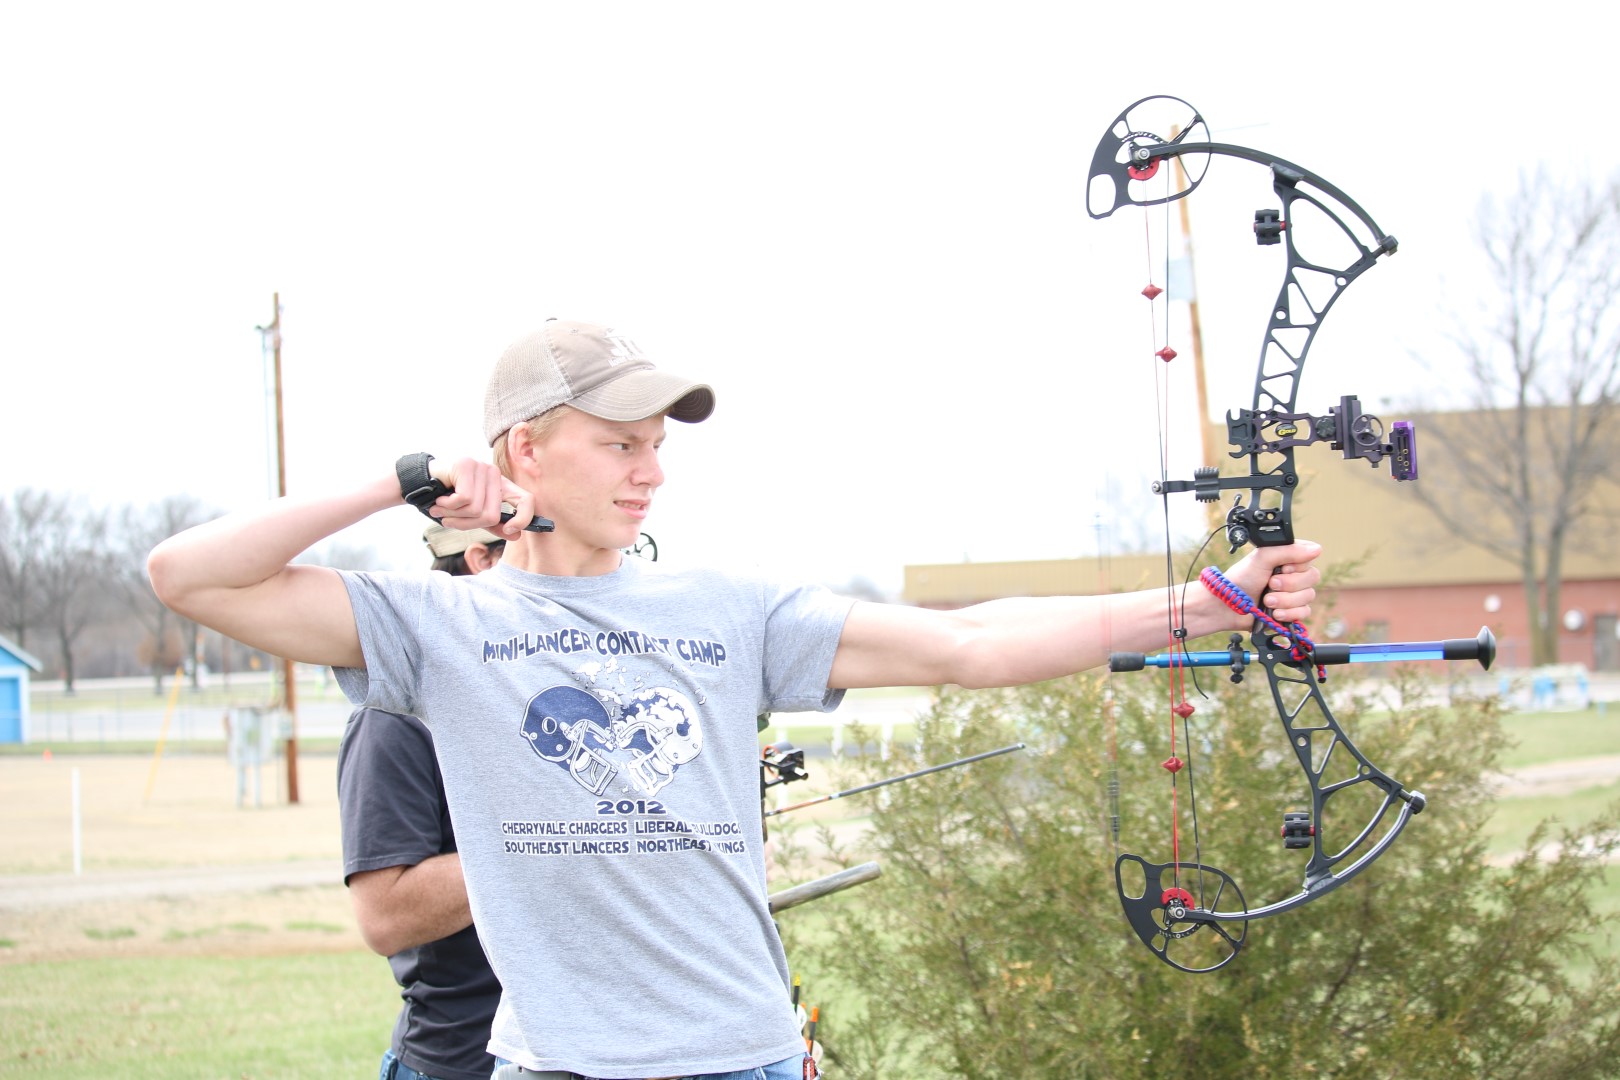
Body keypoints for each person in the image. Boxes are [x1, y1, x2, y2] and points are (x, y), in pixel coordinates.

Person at [149, 318, 1322, 1080]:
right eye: (620, 445)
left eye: (656, 445)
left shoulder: (726, 609)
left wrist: (1204, 604)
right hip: (549, 1064)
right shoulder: (438, 627)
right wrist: (395, 483)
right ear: (523, 452)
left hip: (739, 1058)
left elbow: (969, 645)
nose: (651, 472)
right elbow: (186, 577)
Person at [340, 523, 506, 1080]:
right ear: (483, 559)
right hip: (464, 1063)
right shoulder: (396, 714)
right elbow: (385, 916)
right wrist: (552, 835)